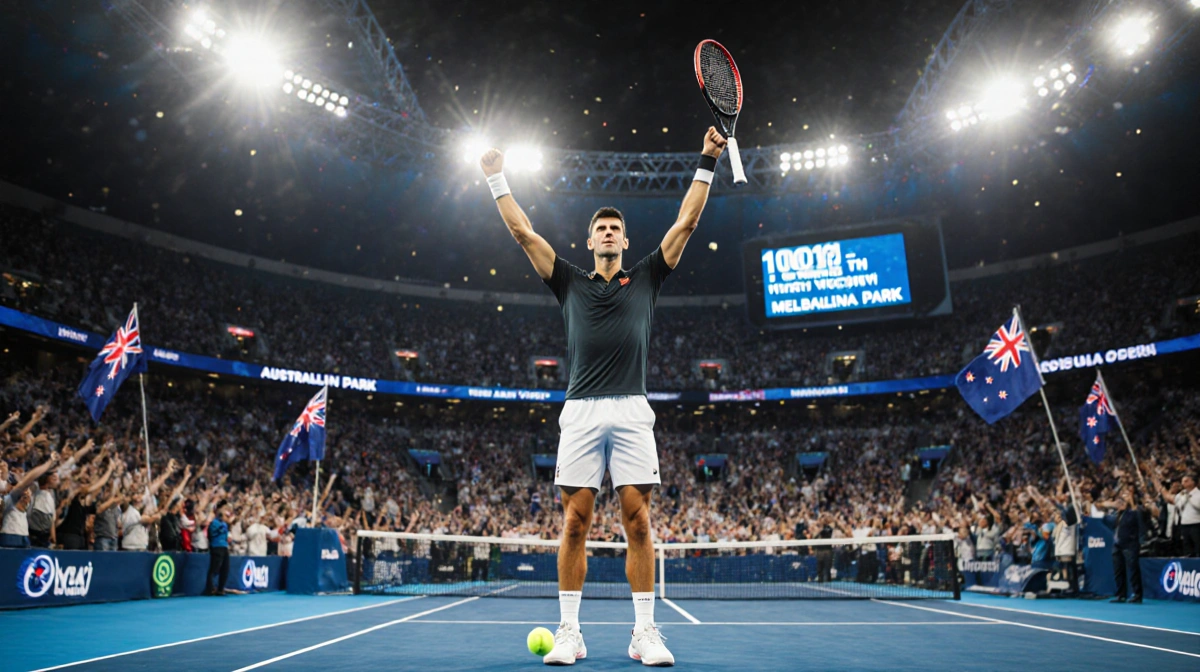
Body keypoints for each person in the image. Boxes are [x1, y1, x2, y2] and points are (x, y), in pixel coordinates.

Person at [481, 126, 727, 666]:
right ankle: (569, 632)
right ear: (590, 242)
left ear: (625, 242)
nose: (610, 233)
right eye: (601, 229)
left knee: (638, 521)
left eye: (616, 228)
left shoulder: (648, 277)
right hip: (581, 410)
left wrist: (707, 158)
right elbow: (523, 233)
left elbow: (687, 221)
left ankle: (644, 633)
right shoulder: (568, 281)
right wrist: (496, 177)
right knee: (575, 523)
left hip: (632, 408)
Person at [1100, 488, 1144, 603]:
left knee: (1133, 570)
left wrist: (1131, 502)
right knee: (1118, 571)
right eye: (1119, 502)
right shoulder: (1117, 515)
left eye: (1123, 502)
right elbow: (1104, 517)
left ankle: (1137, 594)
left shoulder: (1133, 512)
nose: (1120, 504)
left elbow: (1136, 516)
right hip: (1117, 545)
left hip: (1130, 544)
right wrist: (1109, 505)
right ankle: (1121, 595)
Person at [206, 500, 232, 595]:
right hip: (216, 547)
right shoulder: (214, 523)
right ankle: (210, 589)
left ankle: (220, 589)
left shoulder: (224, 524)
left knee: (225, 568)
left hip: (224, 547)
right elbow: (211, 535)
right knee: (214, 569)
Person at [1175, 474, 1200, 557]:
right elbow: (1178, 506)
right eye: (1182, 481)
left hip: (1196, 523)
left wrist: (1189, 498)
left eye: (1186, 481)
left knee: (1197, 544)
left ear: (1193, 482)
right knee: (1186, 545)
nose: (1183, 483)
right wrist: (1184, 499)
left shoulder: (1198, 494)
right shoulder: (1180, 495)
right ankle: (1188, 559)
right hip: (1184, 523)